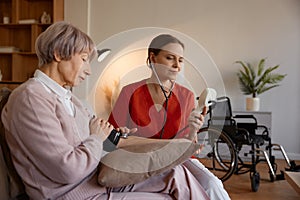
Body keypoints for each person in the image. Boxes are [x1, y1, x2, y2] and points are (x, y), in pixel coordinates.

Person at [1, 22, 210, 200]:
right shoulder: (31, 98)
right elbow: (68, 169)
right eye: (84, 59)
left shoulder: (71, 99)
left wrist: (111, 138)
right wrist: (96, 138)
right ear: (58, 54)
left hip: (96, 180)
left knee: (175, 173)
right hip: (76, 193)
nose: (89, 70)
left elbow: (103, 141)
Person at [108, 34, 231, 200]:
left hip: (177, 159)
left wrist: (193, 130)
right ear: (153, 58)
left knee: (212, 184)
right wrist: (122, 132)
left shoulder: (186, 96)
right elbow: (111, 138)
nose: (177, 66)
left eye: (180, 60)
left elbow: (187, 145)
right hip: (141, 158)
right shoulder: (129, 92)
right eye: (169, 58)